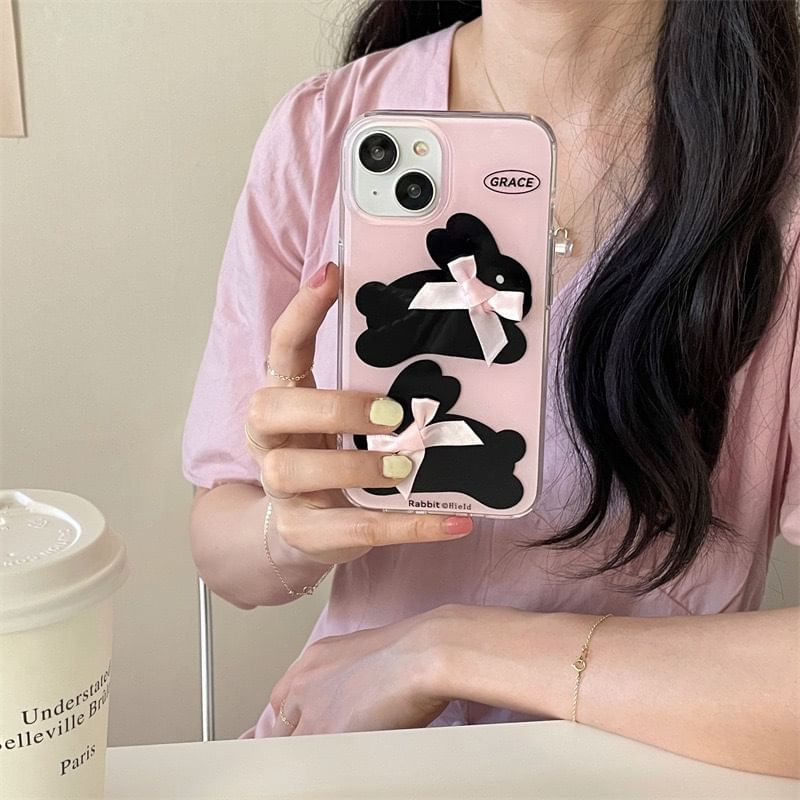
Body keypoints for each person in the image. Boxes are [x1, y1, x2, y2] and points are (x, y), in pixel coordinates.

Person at [182, 0, 800, 777]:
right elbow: (223, 545)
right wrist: (294, 524)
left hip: (641, 770)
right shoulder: (325, 129)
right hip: (356, 760)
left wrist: (447, 650)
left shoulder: (777, 175)